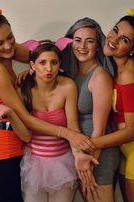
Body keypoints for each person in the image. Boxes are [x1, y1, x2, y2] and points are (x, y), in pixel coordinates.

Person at [0, 8, 93, 202]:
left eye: (10, 37)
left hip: (18, 139)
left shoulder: (7, 51)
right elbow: (25, 118)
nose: (8, 45)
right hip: (3, 145)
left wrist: (36, 68)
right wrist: (69, 134)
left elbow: (40, 55)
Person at [78, 8, 134, 202]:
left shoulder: (128, 73)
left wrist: (88, 144)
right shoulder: (113, 66)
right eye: (116, 30)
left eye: (125, 40)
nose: (114, 39)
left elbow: (132, 131)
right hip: (126, 154)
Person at [19, 38, 90, 202]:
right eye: (42, 62)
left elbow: (73, 127)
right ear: (32, 65)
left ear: (60, 64)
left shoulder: (68, 86)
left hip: (63, 162)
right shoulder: (23, 88)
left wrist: (79, 154)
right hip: (34, 163)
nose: (49, 68)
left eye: (54, 62)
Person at [62, 17, 121, 202]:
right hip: (82, 154)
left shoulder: (100, 76)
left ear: (98, 46)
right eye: (77, 40)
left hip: (98, 156)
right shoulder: (72, 73)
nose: (83, 46)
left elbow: (100, 130)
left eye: (90, 41)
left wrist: (89, 164)